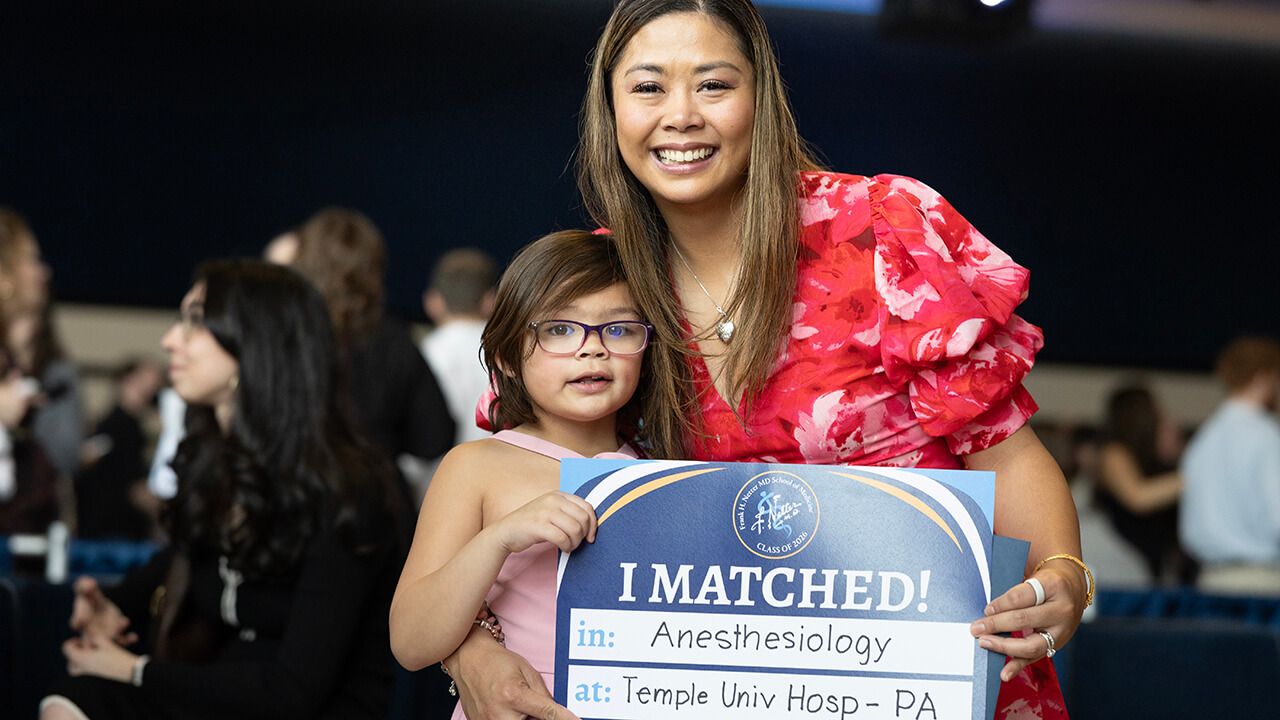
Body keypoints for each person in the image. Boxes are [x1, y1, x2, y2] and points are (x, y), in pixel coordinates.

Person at [442, 2, 1087, 719]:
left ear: (760, 99)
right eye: (648, 87)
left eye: (713, 85)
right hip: (707, 693)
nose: (681, 116)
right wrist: (471, 650)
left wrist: (1065, 575)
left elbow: (1008, 456)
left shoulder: (878, 232)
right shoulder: (595, 287)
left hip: (923, 683)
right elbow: (506, 495)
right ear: (610, 109)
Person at [39, 259, 407, 720]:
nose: (169, 340)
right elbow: (181, 560)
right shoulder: (218, 466)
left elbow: (291, 692)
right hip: (228, 694)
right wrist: (108, 605)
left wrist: (134, 670)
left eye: (195, 323)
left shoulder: (349, 490)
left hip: (305, 709)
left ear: (255, 346)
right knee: (71, 700)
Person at [389, 230, 661, 717]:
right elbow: (410, 641)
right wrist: (498, 538)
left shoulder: (665, 473)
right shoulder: (475, 467)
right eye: (560, 329)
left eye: (619, 329)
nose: (592, 349)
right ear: (507, 357)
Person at [288, 207, 456, 502]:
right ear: (373, 269)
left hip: (295, 498)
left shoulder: (282, 334)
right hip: (376, 500)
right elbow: (434, 438)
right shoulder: (393, 340)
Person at [0, 207, 82, 536]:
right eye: (31, 259)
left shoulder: (55, 370)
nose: (44, 272)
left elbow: (64, 455)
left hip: (26, 531)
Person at [1179, 335, 1280, 595]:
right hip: (1263, 582)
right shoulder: (1266, 435)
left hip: (1210, 580)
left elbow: (1190, 528)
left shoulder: (1203, 439)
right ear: (1262, 379)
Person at [1093, 384, 1186, 583]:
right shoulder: (1113, 452)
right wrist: (1196, 477)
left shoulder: (1156, 461)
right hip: (1119, 564)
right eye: (1157, 414)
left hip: (1154, 566)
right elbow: (1138, 497)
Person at [73, 358, 165, 540]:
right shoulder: (121, 426)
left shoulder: (115, 424)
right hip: (114, 535)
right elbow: (134, 488)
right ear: (128, 379)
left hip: (105, 531)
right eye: (148, 378)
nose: (155, 386)